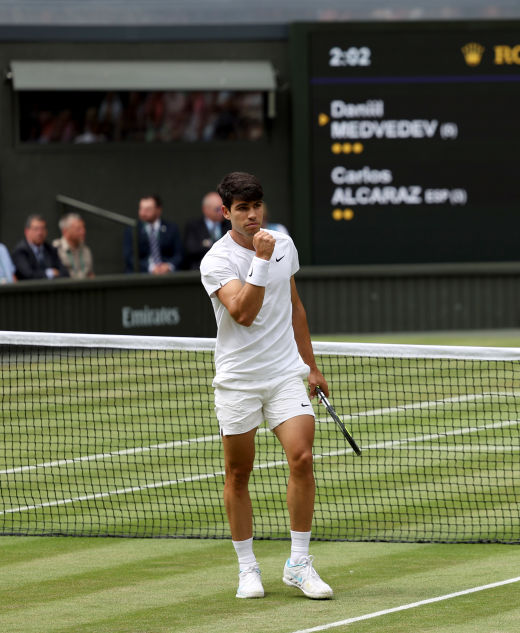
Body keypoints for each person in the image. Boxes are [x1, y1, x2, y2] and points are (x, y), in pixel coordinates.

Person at [199, 171, 333, 601]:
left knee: (303, 457)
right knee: (238, 473)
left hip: (283, 375)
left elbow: (294, 306)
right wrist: (259, 260)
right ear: (226, 213)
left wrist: (311, 367)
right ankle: (247, 568)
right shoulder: (216, 261)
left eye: (257, 207)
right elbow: (242, 312)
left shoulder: (284, 245)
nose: (252, 215)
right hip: (238, 382)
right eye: (242, 209)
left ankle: (298, 564)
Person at [123, 194, 182, 274]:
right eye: (141, 209)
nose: (143, 213)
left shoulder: (171, 228)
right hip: (142, 274)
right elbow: (129, 257)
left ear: (158, 210)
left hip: (168, 274)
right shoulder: (132, 230)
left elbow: (179, 254)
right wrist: (151, 268)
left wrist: (168, 266)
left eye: (148, 209)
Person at [12, 215, 69, 280]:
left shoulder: (50, 249)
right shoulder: (20, 251)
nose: (40, 233)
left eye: (42, 229)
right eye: (36, 229)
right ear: (27, 232)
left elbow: (64, 273)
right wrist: (50, 273)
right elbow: (28, 275)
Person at [183, 191, 230, 270]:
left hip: (226, 268)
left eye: (223, 209)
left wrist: (207, 244)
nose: (222, 213)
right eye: (217, 209)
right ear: (205, 210)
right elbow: (192, 250)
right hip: (200, 269)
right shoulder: (194, 226)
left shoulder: (229, 225)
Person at [53, 213, 95, 279]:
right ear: (65, 231)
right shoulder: (55, 249)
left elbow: (90, 274)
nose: (83, 231)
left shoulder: (86, 250)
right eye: (78, 229)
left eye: (83, 227)